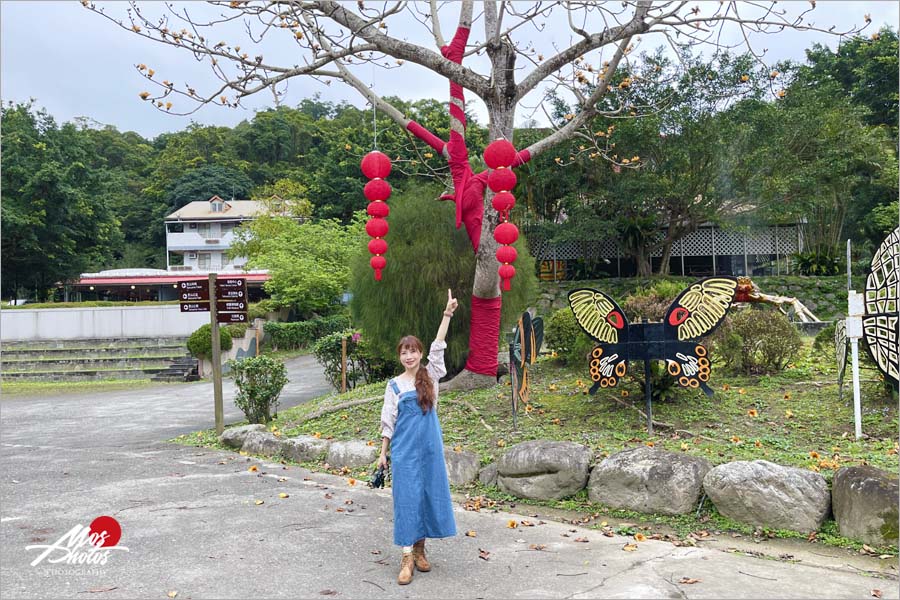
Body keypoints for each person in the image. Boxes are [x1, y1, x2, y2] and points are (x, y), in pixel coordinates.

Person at [378, 288, 459, 585]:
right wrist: (383, 453)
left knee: (427, 494)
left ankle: (422, 550)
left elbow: (440, 345)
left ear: (420, 353)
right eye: (404, 351)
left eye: (413, 350)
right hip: (404, 450)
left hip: (430, 448)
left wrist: (446, 314)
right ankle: (406, 557)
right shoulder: (394, 386)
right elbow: (388, 421)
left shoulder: (430, 376)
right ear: (399, 356)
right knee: (406, 499)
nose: (409, 355)